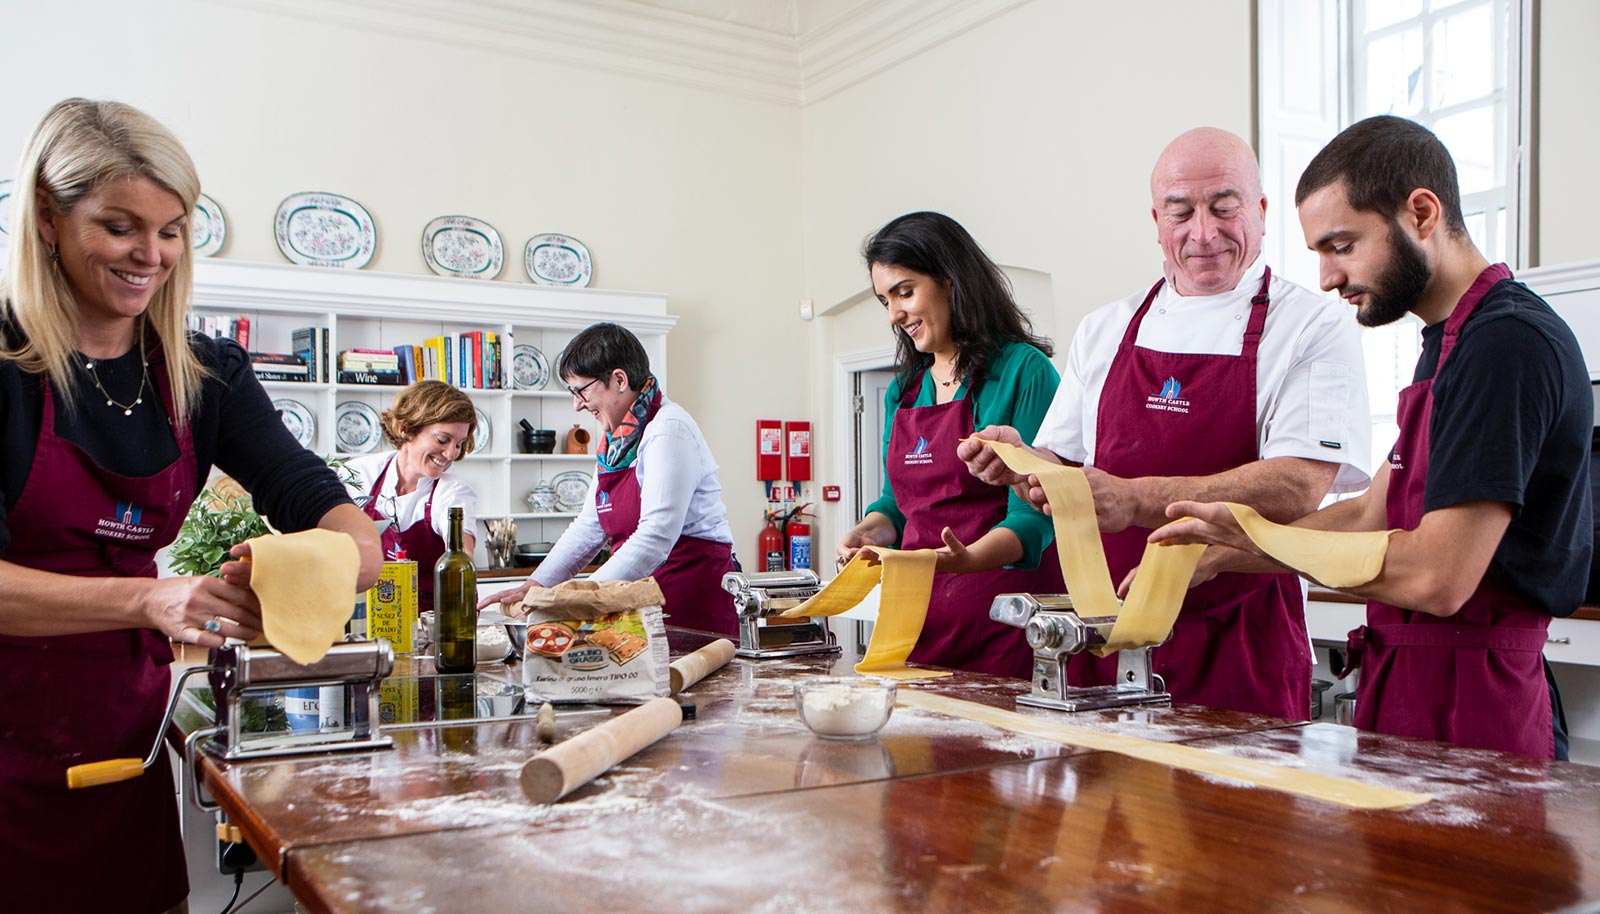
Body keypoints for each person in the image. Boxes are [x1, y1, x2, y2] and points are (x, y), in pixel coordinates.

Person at [0, 99, 382, 913]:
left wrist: (300, 570)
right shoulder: (5, 365)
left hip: (124, 740)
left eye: (172, 228)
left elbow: (336, 517)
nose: (152, 253)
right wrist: (149, 597)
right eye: (119, 226)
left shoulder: (204, 376)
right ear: (45, 218)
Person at [1151, 116, 1591, 759]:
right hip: (1412, 686)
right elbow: (1371, 511)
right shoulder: (1450, 342)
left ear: (1420, 212)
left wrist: (1263, 539)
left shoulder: (1507, 344)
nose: (1328, 277)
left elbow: (1440, 575)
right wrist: (1224, 551)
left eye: (1342, 246)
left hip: (1477, 700)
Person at [960, 128, 1372, 718]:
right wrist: (1021, 461)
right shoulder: (1106, 329)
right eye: (1181, 213)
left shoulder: (1310, 326)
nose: (1203, 233)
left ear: (1259, 212)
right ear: (1157, 220)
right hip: (1106, 634)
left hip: (1240, 644)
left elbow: (1298, 483)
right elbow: (1061, 466)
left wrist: (1135, 499)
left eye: (1224, 208)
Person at [836, 211, 1063, 678]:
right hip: (916, 622)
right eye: (886, 300)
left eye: (905, 291)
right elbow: (898, 506)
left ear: (951, 281)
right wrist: (870, 532)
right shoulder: (905, 391)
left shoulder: (1025, 371)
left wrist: (967, 561)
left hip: (1004, 627)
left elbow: (1035, 519)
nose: (895, 314)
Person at [479, 322, 737, 636]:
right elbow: (589, 526)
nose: (577, 404)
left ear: (618, 379)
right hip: (638, 604)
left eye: (581, 390)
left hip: (690, 606)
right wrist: (536, 585)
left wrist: (580, 597)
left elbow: (655, 536)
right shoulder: (617, 442)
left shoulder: (668, 429)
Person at [345, 379, 479, 608]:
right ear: (407, 429)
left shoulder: (453, 492)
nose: (451, 453)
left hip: (430, 626)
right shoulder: (360, 474)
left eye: (459, 443)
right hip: (366, 619)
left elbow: (460, 554)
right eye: (442, 440)